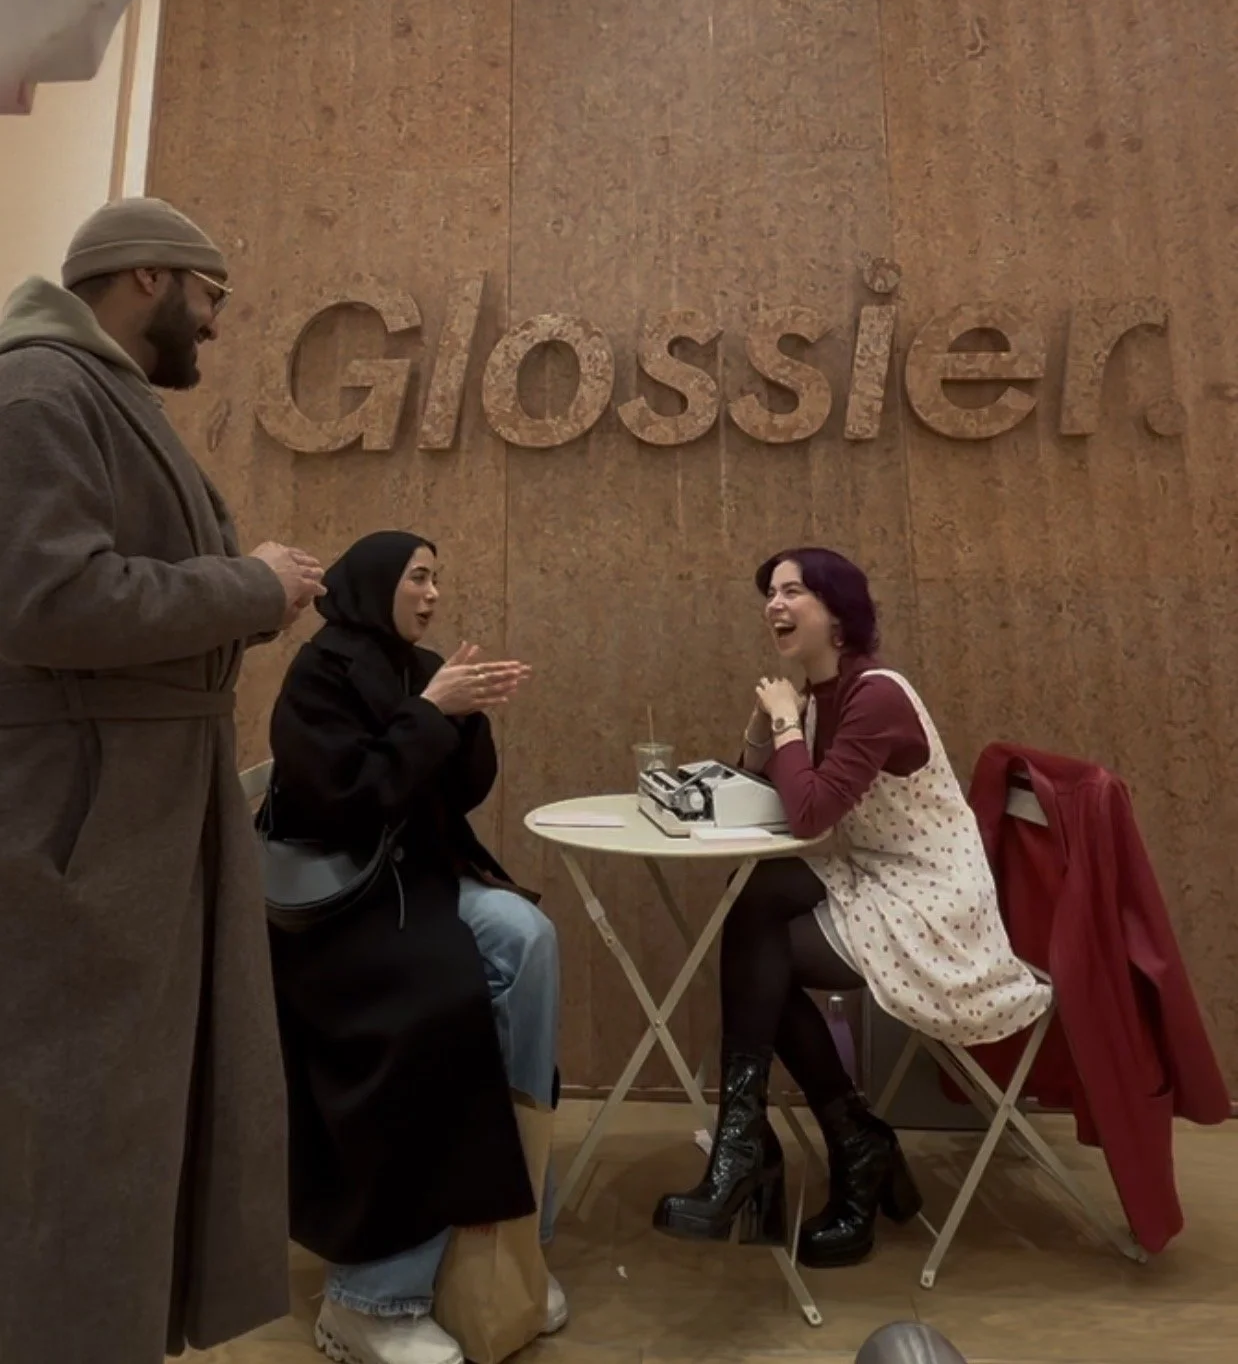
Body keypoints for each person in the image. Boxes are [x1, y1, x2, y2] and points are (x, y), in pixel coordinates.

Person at [0, 196, 326, 1364]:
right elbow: (50, 599)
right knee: (83, 1129)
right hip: (86, 828)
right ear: (146, 275)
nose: (218, 323)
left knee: (128, 1122)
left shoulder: (89, 392)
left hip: (140, 814)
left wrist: (254, 591)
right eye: (211, 294)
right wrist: (249, 585)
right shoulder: (40, 393)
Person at [654, 547, 1050, 1269]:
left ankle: (787, 1144)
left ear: (838, 614)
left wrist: (787, 727)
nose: (774, 605)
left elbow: (808, 815)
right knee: (753, 897)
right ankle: (811, 1139)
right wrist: (767, 726)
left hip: (932, 899)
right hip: (873, 873)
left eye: (793, 591)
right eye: (770, 593)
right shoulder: (817, 696)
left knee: (761, 953)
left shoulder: (875, 696)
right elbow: (760, 789)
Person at [265, 530, 564, 1364]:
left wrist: (462, 719)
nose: (432, 595)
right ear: (374, 583)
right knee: (441, 998)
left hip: (419, 886)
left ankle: (505, 1242)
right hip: (338, 912)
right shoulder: (320, 674)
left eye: (437, 578)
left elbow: (458, 792)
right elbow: (347, 799)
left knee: (530, 943)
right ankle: (370, 1297)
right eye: (418, 578)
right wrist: (432, 712)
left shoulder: (418, 665)